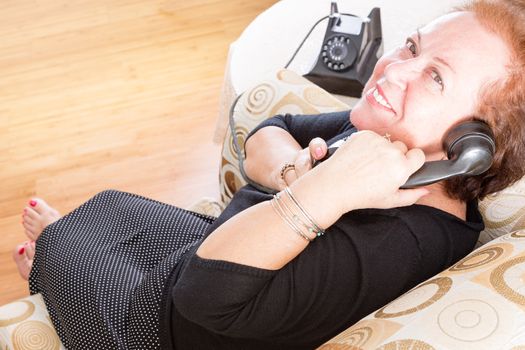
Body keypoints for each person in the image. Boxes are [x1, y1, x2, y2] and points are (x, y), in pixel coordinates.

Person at [11, 0, 525, 349]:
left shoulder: (400, 244)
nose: (394, 69)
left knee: (62, 245)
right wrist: (290, 173)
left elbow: (198, 295)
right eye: (412, 47)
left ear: (472, 147)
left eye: (436, 77)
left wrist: (322, 191)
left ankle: (51, 264)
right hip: (218, 245)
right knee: (107, 205)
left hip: (172, 327)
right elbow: (270, 129)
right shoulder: (384, 135)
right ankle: (71, 250)